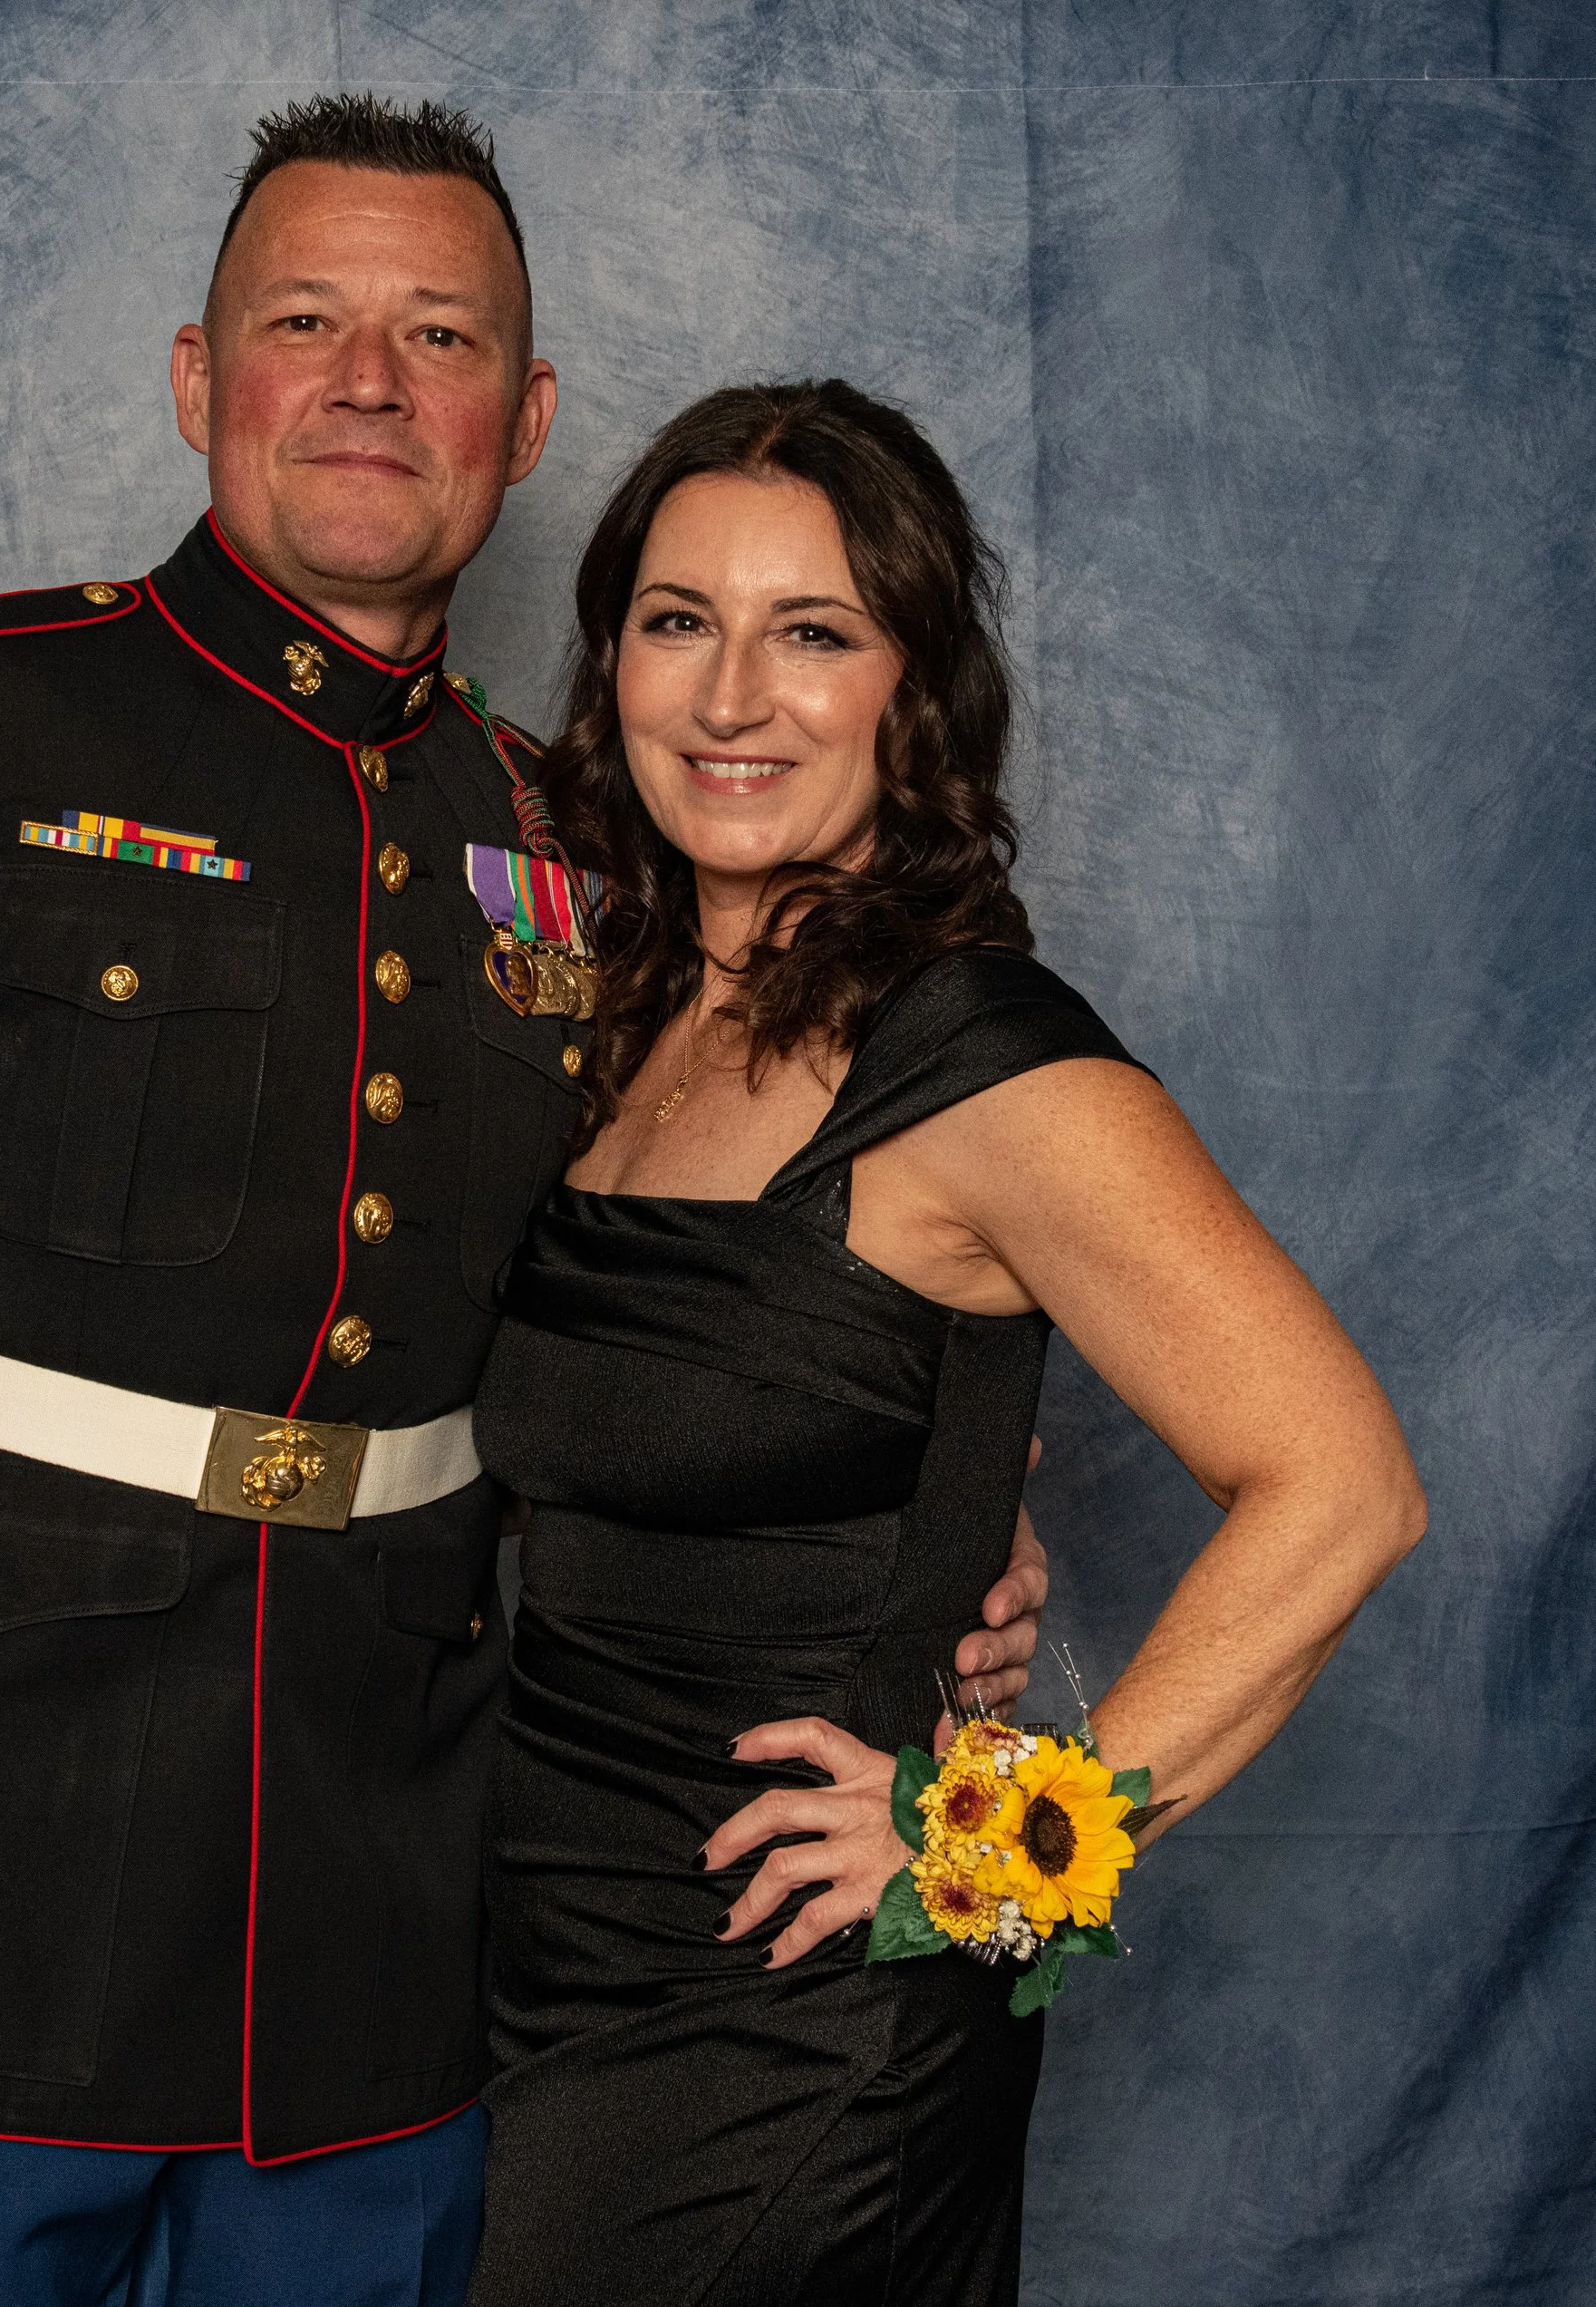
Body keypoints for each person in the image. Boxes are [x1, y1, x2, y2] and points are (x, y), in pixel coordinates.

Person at [0, 107, 1052, 2306]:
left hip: (388, 1934)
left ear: (523, 422)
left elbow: (658, 1301)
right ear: (194, 378)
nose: (367, 377)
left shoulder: (572, 840)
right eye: (304, 321)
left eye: (436, 333)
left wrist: (916, 1524)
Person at [463, 379, 1427, 2306]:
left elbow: (1341, 1490)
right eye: (678, 622)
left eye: (810, 632)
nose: (731, 695)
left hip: (795, 2024)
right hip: (534, 1945)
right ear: (608, 665)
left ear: (911, 694)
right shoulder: (628, 1018)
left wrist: (997, 1855)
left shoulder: (981, 1058)